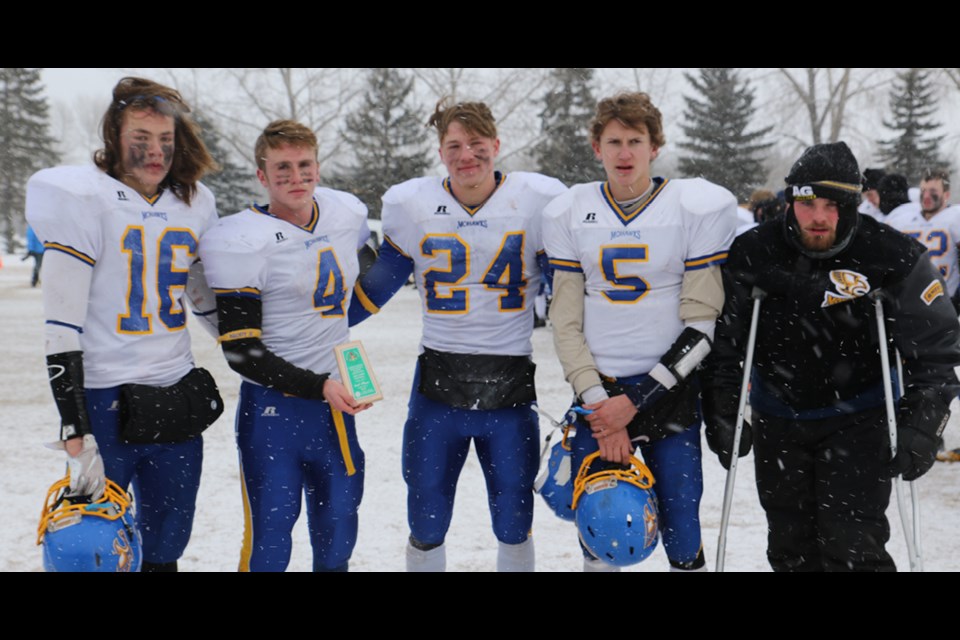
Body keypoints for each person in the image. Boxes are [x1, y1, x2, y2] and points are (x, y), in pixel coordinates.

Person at [702, 142, 960, 571]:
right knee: (790, 546)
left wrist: (924, 420)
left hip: (860, 415)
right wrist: (723, 406)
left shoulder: (891, 254)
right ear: (790, 199)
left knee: (853, 544)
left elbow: (935, 349)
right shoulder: (753, 252)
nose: (819, 217)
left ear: (852, 205)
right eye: (807, 203)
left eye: (832, 205)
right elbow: (726, 340)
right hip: (778, 414)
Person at [350, 99, 567, 572]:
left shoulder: (537, 200)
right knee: (426, 515)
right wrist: (316, 326)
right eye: (454, 145)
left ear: (496, 144)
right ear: (440, 150)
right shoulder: (415, 204)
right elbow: (376, 289)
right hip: (438, 382)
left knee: (514, 515)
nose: (466, 155)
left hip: (509, 381)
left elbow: (568, 296)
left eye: (476, 143)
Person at [25, 77, 223, 572]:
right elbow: (61, 326)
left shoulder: (195, 204)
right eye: (141, 139)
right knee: (96, 548)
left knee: (166, 545)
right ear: (114, 137)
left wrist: (273, 357)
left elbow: (205, 305)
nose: (155, 152)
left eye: (165, 141)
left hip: (174, 395)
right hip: (104, 398)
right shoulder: (82, 197)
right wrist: (74, 424)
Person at [542, 92, 738, 572]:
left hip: (667, 394)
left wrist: (634, 404)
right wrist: (601, 404)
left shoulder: (690, 206)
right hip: (599, 396)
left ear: (654, 146)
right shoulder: (571, 211)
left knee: (682, 531)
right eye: (614, 141)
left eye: (635, 140)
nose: (624, 153)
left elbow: (701, 328)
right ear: (597, 148)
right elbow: (564, 324)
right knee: (605, 527)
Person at [199, 120, 373, 572]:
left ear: (318, 165)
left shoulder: (344, 213)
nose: (296, 177)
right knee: (269, 543)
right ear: (261, 175)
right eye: (282, 168)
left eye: (304, 165)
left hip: (336, 411)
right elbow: (240, 351)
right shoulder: (241, 238)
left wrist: (344, 366)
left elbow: (349, 286)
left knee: (337, 537)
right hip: (274, 412)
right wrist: (318, 385)